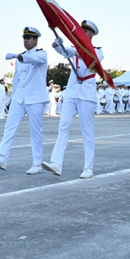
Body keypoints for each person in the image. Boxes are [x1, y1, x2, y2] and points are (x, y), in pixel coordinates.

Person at [42, 20, 103, 179]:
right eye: (82, 30)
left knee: (87, 131)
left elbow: (91, 59)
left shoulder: (98, 51)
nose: (83, 33)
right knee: (63, 126)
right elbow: (62, 50)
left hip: (86, 94)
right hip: (72, 91)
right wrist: (57, 43)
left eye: (86, 31)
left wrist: (75, 51)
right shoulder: (74, 49)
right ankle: (56, 163)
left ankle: (88, 167)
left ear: (92, 34)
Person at [0, 27, 49, 174]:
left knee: (35, 131)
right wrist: (14, 96)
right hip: (20, 97)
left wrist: (17, 56)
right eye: (24, 38)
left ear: (35, 40)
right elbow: (16, 79)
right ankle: (2, 157)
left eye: (28, 38)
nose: (25, 40)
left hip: (35, 98)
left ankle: (37, 164)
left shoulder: (41, 54)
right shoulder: (20, 58)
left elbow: (33, 59)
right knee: (9, 127)